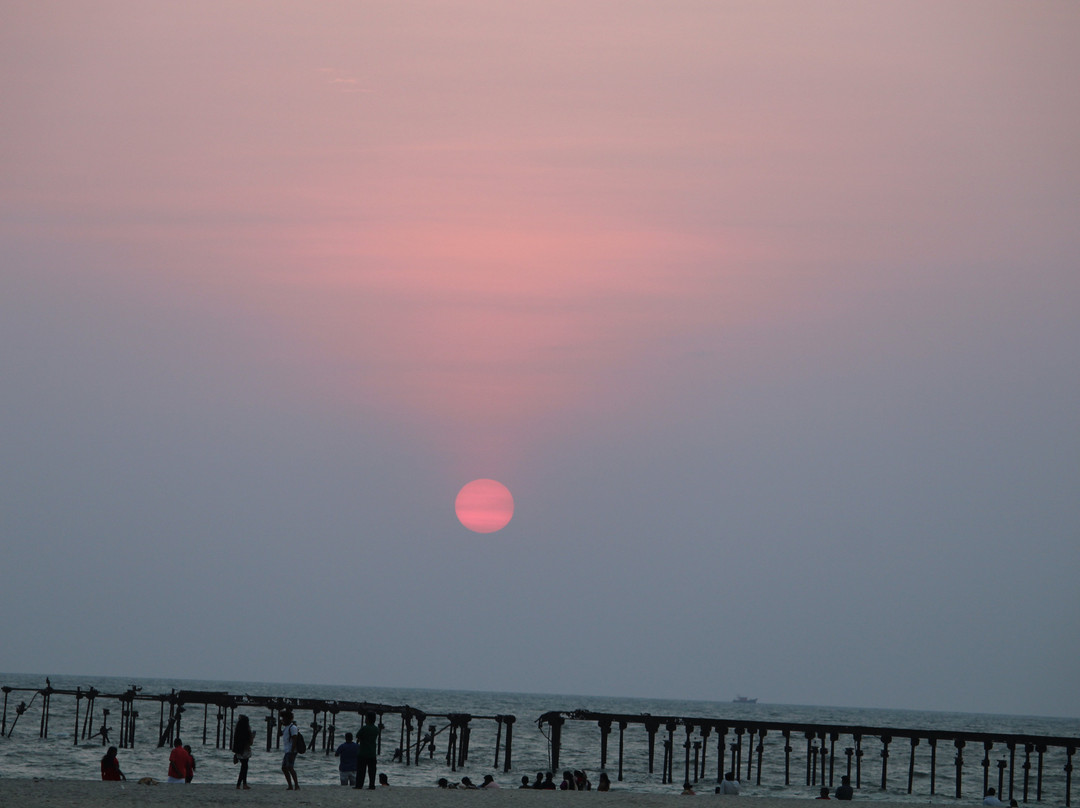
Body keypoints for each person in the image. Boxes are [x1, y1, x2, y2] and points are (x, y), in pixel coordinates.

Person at [354, 711, 380, 790]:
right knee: (372, 771)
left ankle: (359, 785)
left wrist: (361, 738)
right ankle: (372, 785)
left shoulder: (365, 728)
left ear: (367, 719)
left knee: (361, 771)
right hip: (372, 753)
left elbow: (357, 735)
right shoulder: (376, 729)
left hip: (363, 753)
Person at [232, 714, 255, 790]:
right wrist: (252, 736)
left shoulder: (238, 731)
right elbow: (250, 742)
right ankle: (241, 784)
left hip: (239, 750)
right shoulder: (247, 731)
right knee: (244, 768)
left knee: (244, 767)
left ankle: (241, 784)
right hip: (245, 751)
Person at [280, 710, 300, 790]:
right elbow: (279, 734)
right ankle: (290, 785)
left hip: (291, 751)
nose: (283, 720)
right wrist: (279, 725)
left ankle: (296, 785)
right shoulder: (286, 728)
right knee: (284, 768)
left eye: (284, 719)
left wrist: (292, 751)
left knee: (290, 767)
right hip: (287, 751)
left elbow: (295, 739)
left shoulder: (293, 728)